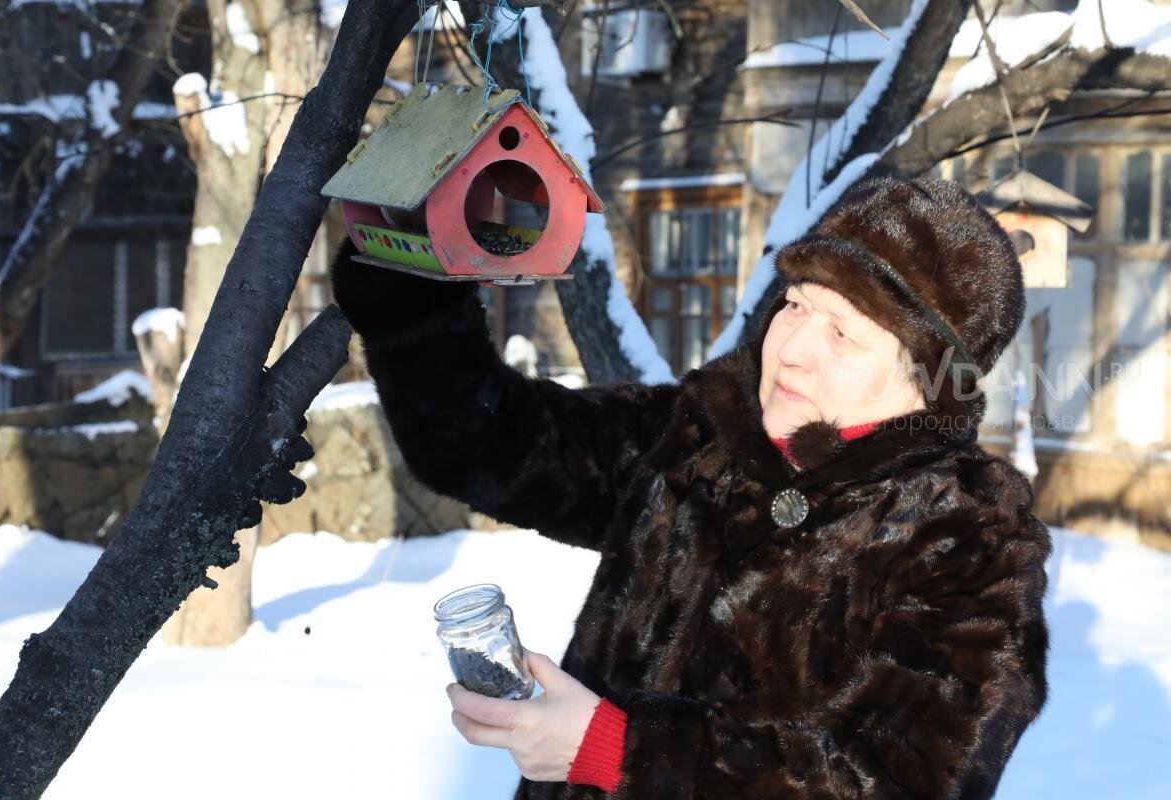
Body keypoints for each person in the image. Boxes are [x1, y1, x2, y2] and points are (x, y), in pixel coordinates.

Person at [329, 175, 1051, 799]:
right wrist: (409, 279)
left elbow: (901, 781)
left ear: (925, 382)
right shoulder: (703, 433)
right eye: (796, 306)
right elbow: (489, 446)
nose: (793, 348)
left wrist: (620, 755)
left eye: (843, 335)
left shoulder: (967, 538)